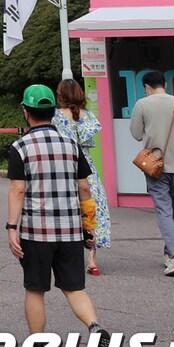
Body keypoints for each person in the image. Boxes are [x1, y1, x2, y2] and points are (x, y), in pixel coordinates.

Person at [7, 85, 112, 347]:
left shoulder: (20, 147)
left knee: (35, 288)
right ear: (53, 112)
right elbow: (85, 190)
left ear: (26, 112)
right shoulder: (71, 146)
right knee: (74, 288)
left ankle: (38, 344)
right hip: (70, 230)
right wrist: (89, 227)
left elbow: (18, 190)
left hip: (36, 232)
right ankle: (95, 326)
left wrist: (11, 227)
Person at [129, 70, 174, 276]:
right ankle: (170, 254)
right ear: (165, 84)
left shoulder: (142, 104)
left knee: (164, 211)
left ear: (146, 87)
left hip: (155, 166)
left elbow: (136, 134)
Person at [53, 79, 111, 275]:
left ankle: (68, 255)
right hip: (86, 167)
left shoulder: (57, 117)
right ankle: (92, 259)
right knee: (92, 209)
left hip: (64, 166)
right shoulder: (89, 116)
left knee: (67, 210)